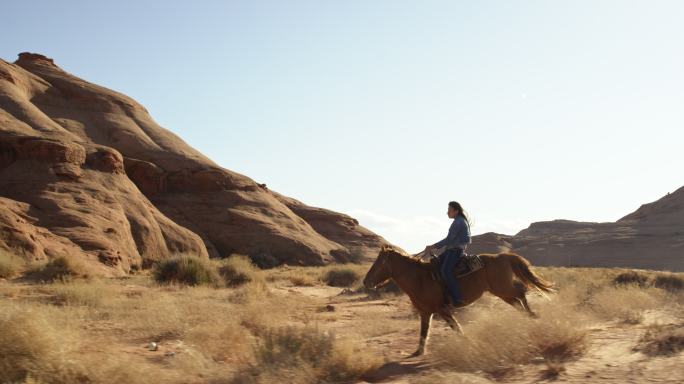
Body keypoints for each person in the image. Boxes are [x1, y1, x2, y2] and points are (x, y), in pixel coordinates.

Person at [424, 201, 471, 307]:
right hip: (450, 250)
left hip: (455, 251)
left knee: (446, 271)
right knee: (434, 264)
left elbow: (449, 239)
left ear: (456, 211)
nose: (447, 212)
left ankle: (458, 298)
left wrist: (433, 246)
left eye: (449, 210)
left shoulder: (458, 222)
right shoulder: (459, 221)